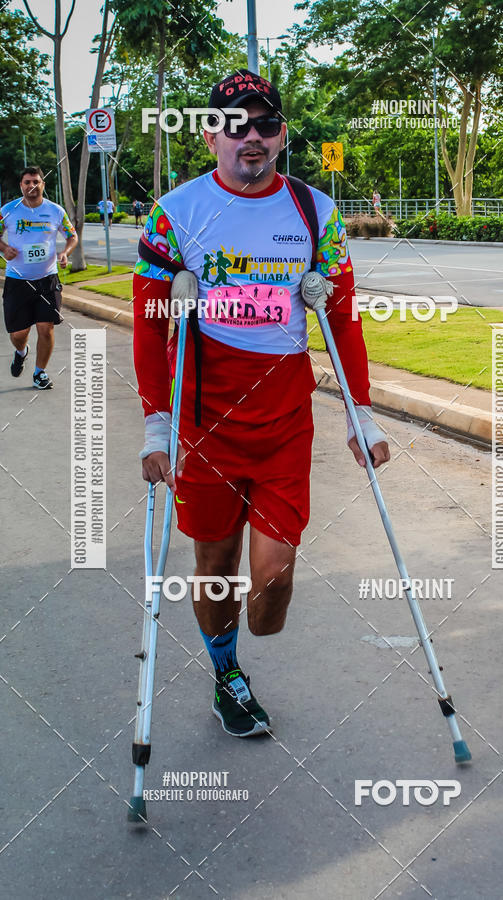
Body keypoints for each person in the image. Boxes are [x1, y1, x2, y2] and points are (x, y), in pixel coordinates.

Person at [133, 69, 390, 738]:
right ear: (212, 135)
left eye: (265, 123)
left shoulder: (316, 214)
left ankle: (247, 643)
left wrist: (360, 413)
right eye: (234, 123)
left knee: (272, 584)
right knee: (215, 565)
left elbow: (345, 321)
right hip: (203, 421)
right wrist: (156, 426)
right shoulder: (176, 213)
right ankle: (227, 674)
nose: (251, 135)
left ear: (281, 136)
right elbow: (147, 323)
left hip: (283, 420)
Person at [1, 166, 77, 389]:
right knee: (18, 333)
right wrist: (4, 248)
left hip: (47, 279)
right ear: (21, 186)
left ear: (43, 184)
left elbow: (72, 235)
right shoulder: (8, 210)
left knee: (46, 327)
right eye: (27, 182)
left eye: (36, 181)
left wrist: (65, 252)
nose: (31, 186)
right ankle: (21, 351)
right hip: (17, 279)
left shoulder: (55, 211)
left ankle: (39, 373)